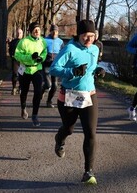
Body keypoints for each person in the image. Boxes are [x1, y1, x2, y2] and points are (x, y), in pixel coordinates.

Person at [50, 19, 105, 185]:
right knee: (69, 128)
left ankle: (88, 172)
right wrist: (72, 71)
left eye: (91, 36)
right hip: (69, 95)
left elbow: (92, 67)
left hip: (89, 95)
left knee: (91, 133)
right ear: (79, 35)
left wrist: (98, 70)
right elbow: (53, 68)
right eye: (85, 36)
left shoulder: (95, 49)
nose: (88, 39)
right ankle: (60, 140)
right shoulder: (70, 49)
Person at [14, 22, 47, 127]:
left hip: (37, 69)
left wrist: (41, 58)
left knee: (38, 92)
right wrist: (30, 57)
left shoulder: (42, 41)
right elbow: (17, 55)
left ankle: (35, 115)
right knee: (24, 91)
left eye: (38, 29)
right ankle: (23, 108)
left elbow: (44, 52)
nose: (37, 31)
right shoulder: (24, 42)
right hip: (25, 70)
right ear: (31, 31)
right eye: (35, 30)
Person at [43, 24, 64, 108]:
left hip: (55, 65)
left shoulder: (60, 41)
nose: (55, 33)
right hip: (46, 64)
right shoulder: (44, 40)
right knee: (48, 85)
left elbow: (63, 53)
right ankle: (42, 90)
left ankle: (49, 101)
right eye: (53, 31)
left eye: (56, 31)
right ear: (50, 31)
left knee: (55, 86)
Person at [8, 28, 23, 95]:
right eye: (17, 33)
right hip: (15, 60)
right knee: (15, 74)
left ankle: (20, 87)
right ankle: (14, 88)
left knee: (21, 75)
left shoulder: (24, 42)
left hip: (23, 61)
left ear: (22, 34)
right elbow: (10, 50)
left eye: (20, 33)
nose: (18, 34)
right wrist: (12, 56)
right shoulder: (13, 42)